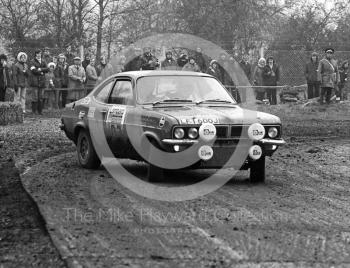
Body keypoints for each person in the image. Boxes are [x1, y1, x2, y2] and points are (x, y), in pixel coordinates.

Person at [29, 50, 49, 114]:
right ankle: (34, 111)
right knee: (35, 97)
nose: (39, 54)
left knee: (41, 97)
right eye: (37, 53)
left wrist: (40, 69)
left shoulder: (44, 61)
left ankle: (40, 111)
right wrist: (42, 72)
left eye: (40, 53)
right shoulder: (32, 61)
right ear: (35, 54)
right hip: (34, 82)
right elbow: (33, 70)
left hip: (42, 82)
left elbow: (47, 69)